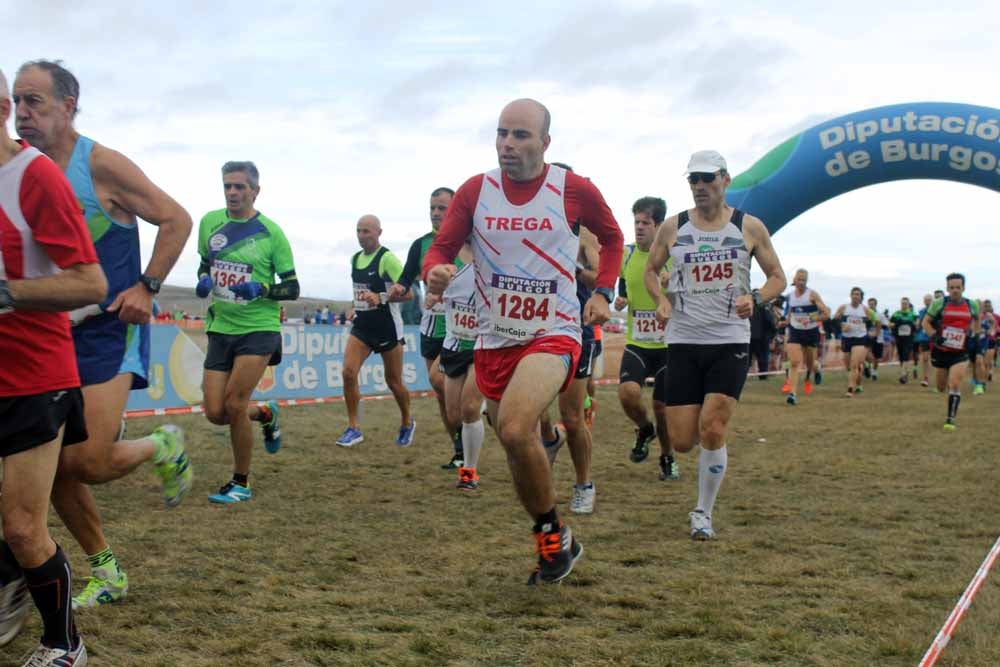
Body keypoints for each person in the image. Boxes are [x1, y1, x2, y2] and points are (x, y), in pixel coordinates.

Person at [14, 59, 193, 611]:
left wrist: (146, 286)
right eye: (16, 102)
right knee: (47, 467)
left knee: (85, 461)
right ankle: (106, 571)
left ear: (68, 107)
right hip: (43, 337)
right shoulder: (15, 169)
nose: (22, 115)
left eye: (35, 103)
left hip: (107, 333)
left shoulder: (102, 166)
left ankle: (160, 443)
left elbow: (177, 218)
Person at [423, 98, 624, 584]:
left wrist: (601, 291)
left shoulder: (572, 190)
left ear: (545, 144)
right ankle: (554, 536)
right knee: (513, 442)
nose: (507, 145)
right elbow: (441, 248)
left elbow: (613, 238)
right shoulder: (475, 191)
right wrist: (434, 272)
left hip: (553, 330)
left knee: (514, 428)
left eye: (520, 135)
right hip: (494, 337)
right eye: (501, 134)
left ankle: (552, 533)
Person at [0, 65, 107, 663]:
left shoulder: (34, 177)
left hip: (35, 375)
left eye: (25, 100)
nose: (21, 108)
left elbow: (90, 281)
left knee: (22, 526)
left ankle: (64, 644)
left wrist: (7, 292)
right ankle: (11, 577)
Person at [644, 150, 786, 540]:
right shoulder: (673, 228)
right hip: (685, 340)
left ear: (725, 178)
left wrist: (755, 298)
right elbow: (651, 271)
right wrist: (661, 299)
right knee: (684, 441)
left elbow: (778, 277)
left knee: (713, 427)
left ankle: (702, 513)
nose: (700, 186)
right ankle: (699, 487)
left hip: (729, 340)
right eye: (693, 180)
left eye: (707, 178)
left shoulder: (749, 227)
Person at [195, 161, 298, 503]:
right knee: (215, 412)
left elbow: (293, 287)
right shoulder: (210, 222)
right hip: (220, 327)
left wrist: (263, 289)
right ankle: (265, 413)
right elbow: (203, 262)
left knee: (235, 403)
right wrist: (203, 280)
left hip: (259, 328)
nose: (233, 192)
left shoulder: (272, 232)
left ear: (255, 190)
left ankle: (241, 482)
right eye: (227, 186)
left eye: (240, 186)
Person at [390, 187, 465, 469]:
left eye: (442, 208)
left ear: (455, 209)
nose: (436, 213)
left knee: (439, 380)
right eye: (432, 208)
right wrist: (398, 288)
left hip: (460, 329)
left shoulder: (468, 244)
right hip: (430, 328)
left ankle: (473, 416)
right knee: (442, 393)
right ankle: (459, 450)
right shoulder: (420, 245)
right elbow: (406, 278)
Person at [614, 196, 679, 480]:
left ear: (659, 226)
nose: (639, 228)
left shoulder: (673, 258)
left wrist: (672, 286)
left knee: (662, 408)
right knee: (628, 394)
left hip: (667, 346)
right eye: (636, 222)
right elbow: (624, 283)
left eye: (645, 223)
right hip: (637, 342)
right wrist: (620, 298)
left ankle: (667, 456)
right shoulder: (626, 255)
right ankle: (644, 428)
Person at [337, 215, 415, 447]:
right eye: (359, 231)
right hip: (362, 326)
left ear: (379, 232)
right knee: (348, 373)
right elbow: (359, 292)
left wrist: (380, 297)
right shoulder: (354, 259)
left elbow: (409, 294)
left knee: (393, 381)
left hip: (387, 327)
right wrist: (354, 307)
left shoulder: (387, 259)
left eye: (366, 232)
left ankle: (406, 421)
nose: (362, 236)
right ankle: (353, 428)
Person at [431, 242, 485, 489]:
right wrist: (435, 290)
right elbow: (432, 283)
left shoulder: (494, 257)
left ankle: (469, 472)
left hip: (482, 346)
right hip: (454, 345)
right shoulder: (448, 258)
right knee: (454, 415)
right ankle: (485, 411)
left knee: (469, 407)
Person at [923, 274, 979, 429]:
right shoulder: (939, 304)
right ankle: (949, 393)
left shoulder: (972, 305)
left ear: (963, 288)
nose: (955, 290)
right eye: (952, 287)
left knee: (954, 383)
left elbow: (976, 321)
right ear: (947, 288)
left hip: (960, 351)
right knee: (941, 387)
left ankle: (950, 419)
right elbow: (925, 322)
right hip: (941, 350)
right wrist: (934, 335)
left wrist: (973, 333)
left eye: (958, 288)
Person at [780, 269, 829, 405]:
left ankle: (817, 370)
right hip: (795, 331)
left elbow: (826, 313)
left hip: (811, 332)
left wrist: (812, 318)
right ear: (794, 280)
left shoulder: (812, 295)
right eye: (799, 279)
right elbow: (791, 312)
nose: (801, 282)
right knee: (795, 362)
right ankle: (792, 394)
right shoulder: (790, 296)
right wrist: (785, 322)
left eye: (804, 280)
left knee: (810, 364)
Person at [832, 288, 878, 397]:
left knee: (854, 364)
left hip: (860, 338)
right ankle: (859, 383)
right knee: (849, 365)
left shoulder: (866, 310)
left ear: (861, 297)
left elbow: (876, 322)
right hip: (847, 338)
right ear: (850, 296)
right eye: (853, 294)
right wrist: (841, 326)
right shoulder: (843, 308)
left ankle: (850, 389)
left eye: (858, 294)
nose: (855, 296)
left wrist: (874, 332)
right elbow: (834, 321)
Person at [889, 297, 919, 384]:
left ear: (908, 304)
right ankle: (904, 372)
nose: (904, 305)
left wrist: (914, 324)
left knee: (906, 354)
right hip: (899, 338)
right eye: (902, 303)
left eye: (905, 303)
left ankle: (903, 374)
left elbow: (917, 324)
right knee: (902, 356)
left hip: (909, 338)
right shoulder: (896, 314)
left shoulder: (913, 314)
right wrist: (895, 324)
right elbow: (890, 324)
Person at [864, 297, 890, 380]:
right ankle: (867, 366)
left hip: (878, 337)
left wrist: (878, 325)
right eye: (869, 304)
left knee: (877, 357)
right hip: (867, 336)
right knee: (865, 353)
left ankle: (874, 372)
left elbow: (886, 325)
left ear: (875, 305)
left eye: (872, 304)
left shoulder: (880, 315)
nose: (871, 305)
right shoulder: (865, 314)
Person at [914, 293, 934, 386]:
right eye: (926, 300)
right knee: (925, 358)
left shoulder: (936, 310)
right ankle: (926, 378)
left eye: (929, 300)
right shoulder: (922, 311)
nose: (927, 302)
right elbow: (918, 323)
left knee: (936, 359)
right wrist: (917, 325)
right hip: (924, 337)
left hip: (934, 336)